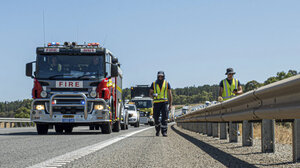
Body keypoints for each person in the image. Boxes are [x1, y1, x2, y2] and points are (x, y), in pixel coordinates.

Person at [149, 71, 172, 137]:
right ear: (157, 76)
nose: (160, 77)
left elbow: (170, 95)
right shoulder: (153, 84)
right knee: (156, 118)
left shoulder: (167, 84)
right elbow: (150, 94)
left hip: (164, 103)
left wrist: (170, 105)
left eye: (161, 76)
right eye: (159, 76)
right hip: (156, 103)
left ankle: (164, 132)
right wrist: (153, 95)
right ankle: (157, 130)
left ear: (164, 76)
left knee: (164, 118)